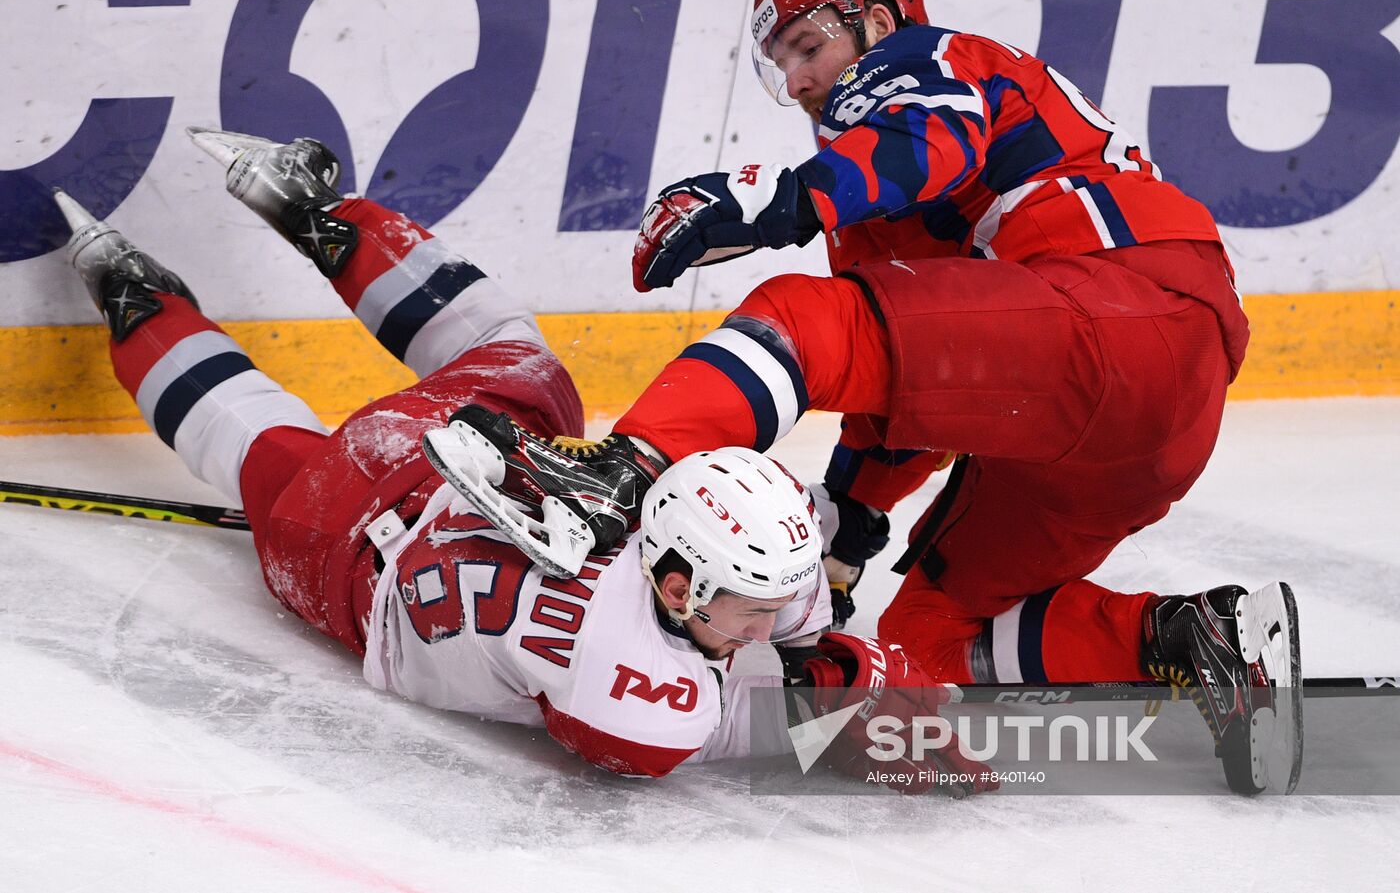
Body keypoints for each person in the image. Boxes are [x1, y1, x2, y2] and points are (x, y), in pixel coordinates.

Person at [435, 0, 1301, 794]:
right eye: (782, 65)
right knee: (925, 637)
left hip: (1118, 308)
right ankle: (1192, 637)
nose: (801, 81)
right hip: (1152, 415)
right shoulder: (880, 205)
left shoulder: (929, 58)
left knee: (801, 314)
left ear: (876, 16)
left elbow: (931, 144)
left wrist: (778, 203)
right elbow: (925, 380)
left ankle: (621, 472)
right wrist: (849, 520)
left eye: (810, 46)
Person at [56, 127, 987, 793]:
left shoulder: (690, 553)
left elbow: (768, 631)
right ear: (676, 588)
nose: (768, 615)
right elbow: (768, 705)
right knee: (256, 442)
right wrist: (872, 693)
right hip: (339, 555)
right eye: (752, 606)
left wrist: (824, 650)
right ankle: (134, 294)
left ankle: (321, 214)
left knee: (517, 352)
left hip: (435, 465)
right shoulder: (646, 704)